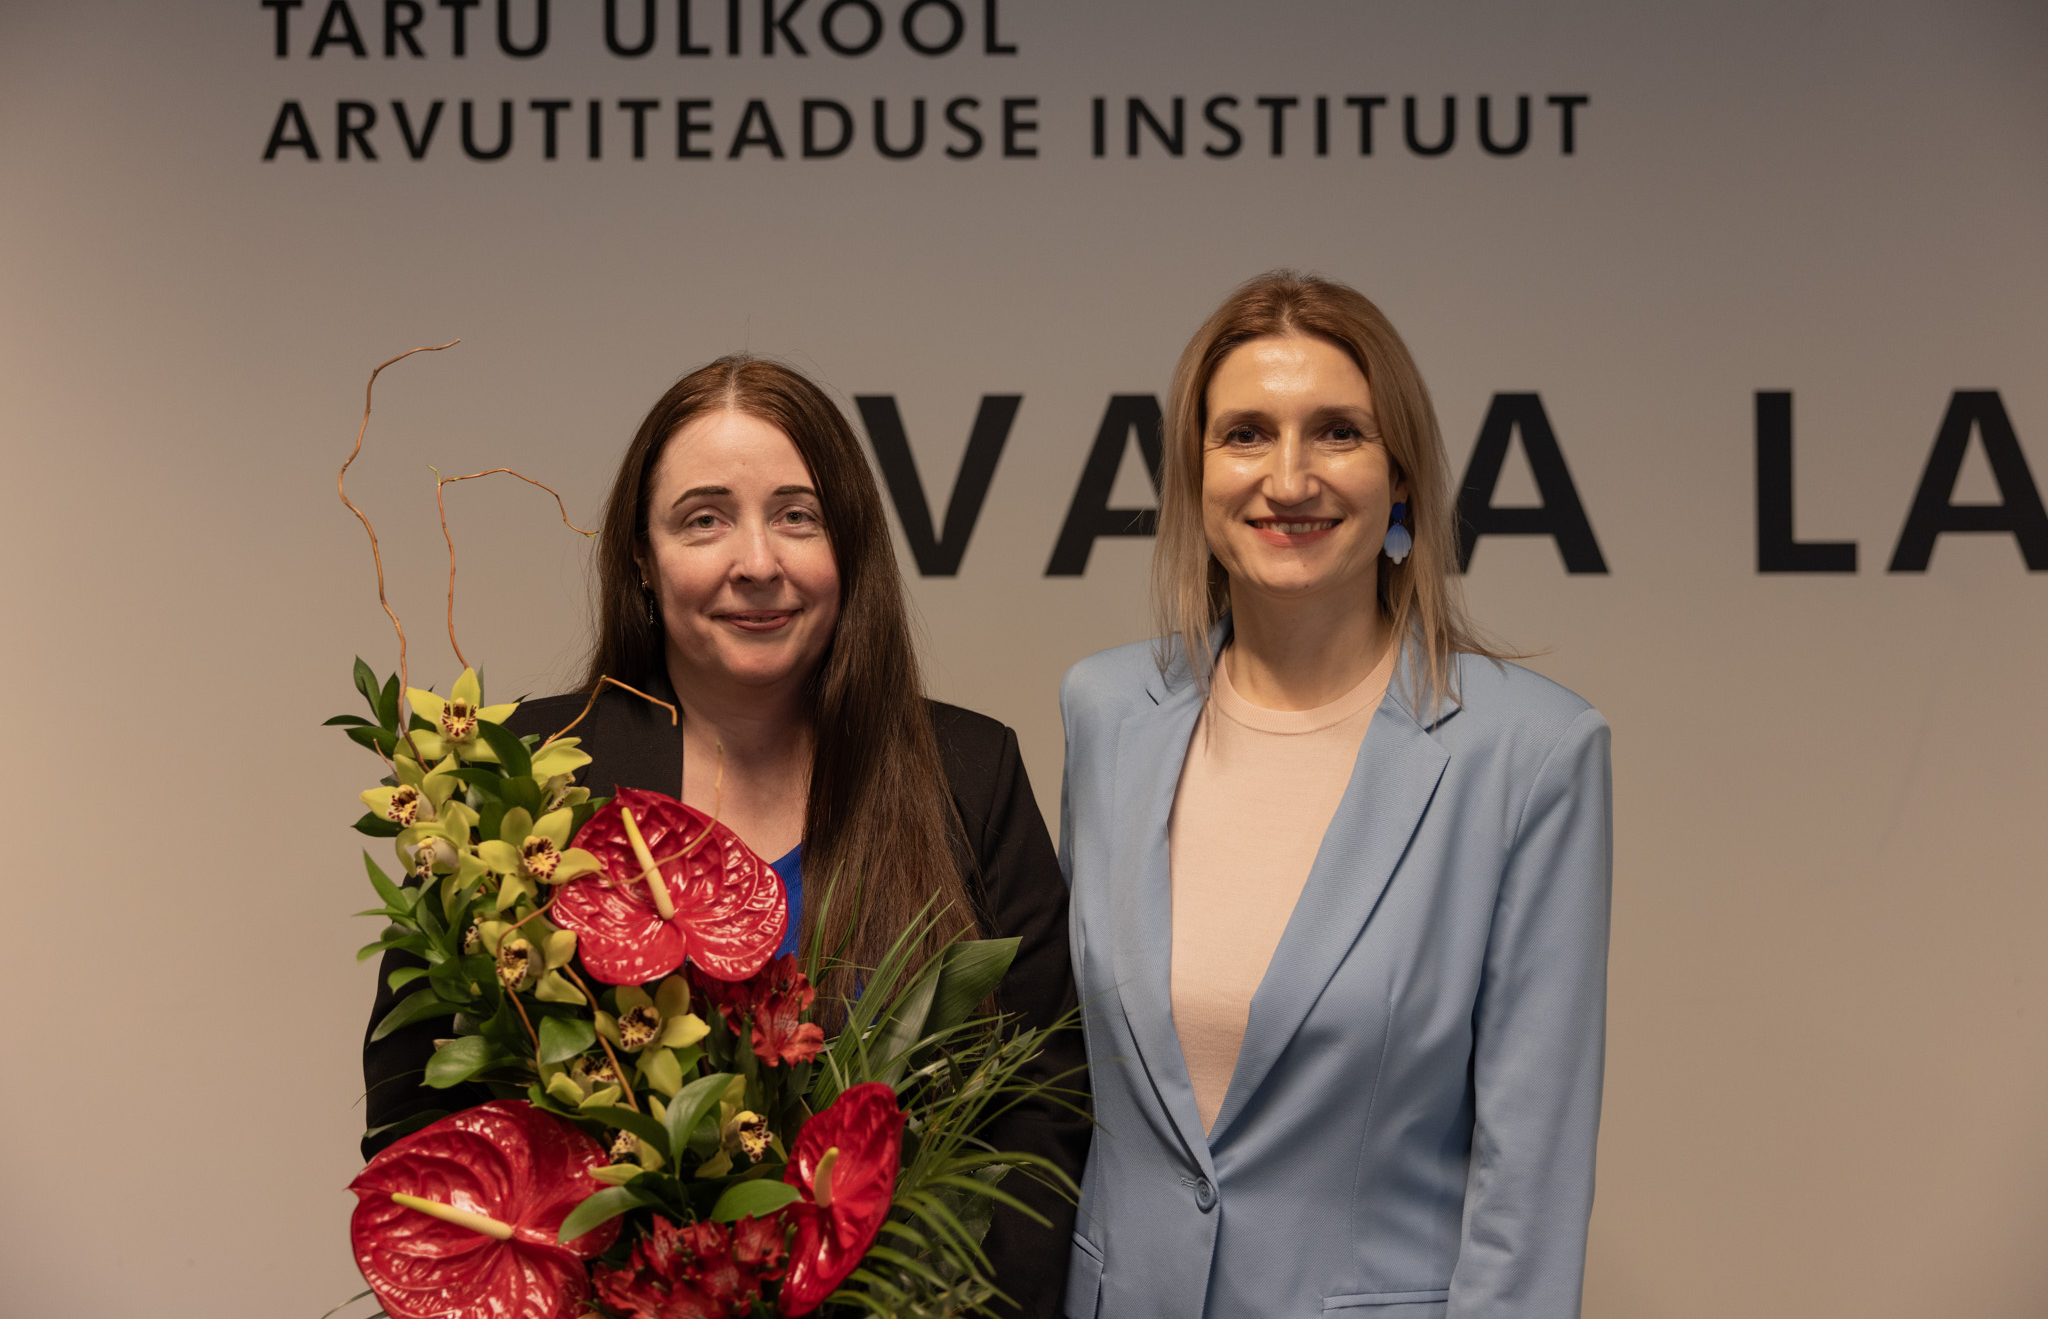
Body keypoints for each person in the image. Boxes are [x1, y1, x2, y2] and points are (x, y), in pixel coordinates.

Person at [362, 355, 1088, 1317]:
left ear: (850, 545)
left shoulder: (967, 772)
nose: (757, 562)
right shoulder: (524, 780)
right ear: (641, 555)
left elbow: (1041, 1122)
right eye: (704, 519)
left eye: (798, 516)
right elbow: (418, 1119)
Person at [1057, 273, 1612, 1319]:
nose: (1289, 477)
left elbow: (1527, 1189)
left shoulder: (1530, 752)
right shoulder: (1104, 711)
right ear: (1195, 475)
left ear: (1400, 477)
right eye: (1245, 435)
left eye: (1338, 432)